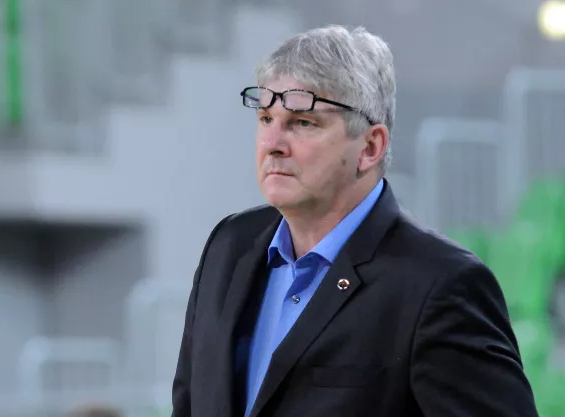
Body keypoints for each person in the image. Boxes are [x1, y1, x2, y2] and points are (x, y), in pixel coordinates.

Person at [171, 25, 539, 417]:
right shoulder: (228, 246)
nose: (273, 144)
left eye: (303, 122)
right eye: (265, 118)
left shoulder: (440, 285)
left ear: (370, 147)